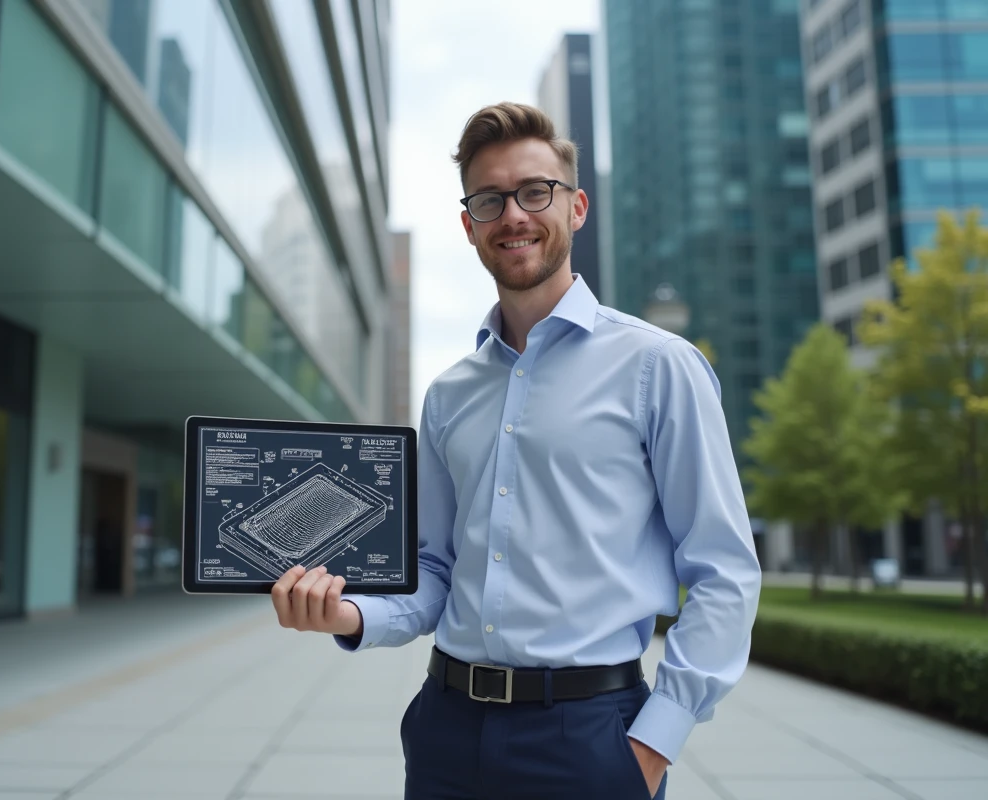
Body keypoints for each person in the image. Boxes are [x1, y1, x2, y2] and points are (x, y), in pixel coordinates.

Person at [270, 101, 762, 800]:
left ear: (577, 207)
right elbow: (436, 569)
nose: (514, 215)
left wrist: (655, 742)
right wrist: (350, 615)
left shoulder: (659, 366)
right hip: (445, 729)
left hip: (590, 738)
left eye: (536, 192)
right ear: (469, 223)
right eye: (490, 199)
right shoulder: (447, 395)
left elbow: (724, 571)